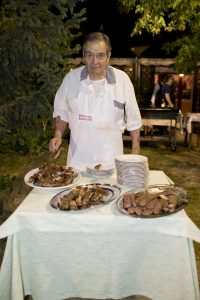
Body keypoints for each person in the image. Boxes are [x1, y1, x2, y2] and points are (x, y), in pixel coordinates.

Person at [49, 32, 142, 170]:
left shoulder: (122, 80)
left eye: (100, 55)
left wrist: (134, 159)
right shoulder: (71, 79)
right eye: (89, 55)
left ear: (108, 56)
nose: (94, 61)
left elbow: (134, 123)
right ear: (83, 56)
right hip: (77, 165)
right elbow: (62, 113)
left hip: (111, 165)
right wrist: (57, 135)